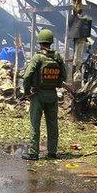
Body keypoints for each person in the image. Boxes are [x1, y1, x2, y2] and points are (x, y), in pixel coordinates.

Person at [21, 29, 67, 160]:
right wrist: (56, 84)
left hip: (38, 95)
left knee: (35, 124)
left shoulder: (37, 57)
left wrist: (26, 92)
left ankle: (33, 153)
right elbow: (64, 75)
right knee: (52, 124)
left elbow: (27, 76)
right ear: (51, 42)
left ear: (40, 42)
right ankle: (52, 152)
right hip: (52, 95)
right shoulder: (57, 57)